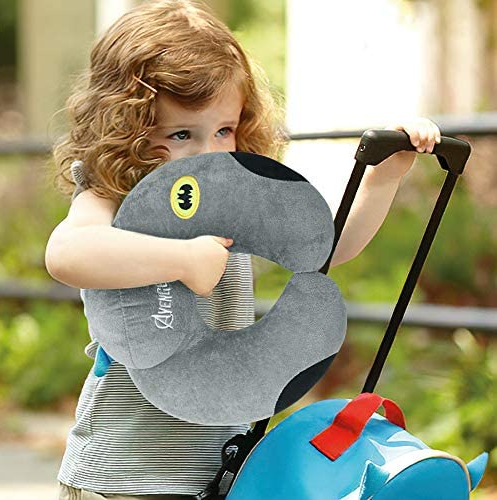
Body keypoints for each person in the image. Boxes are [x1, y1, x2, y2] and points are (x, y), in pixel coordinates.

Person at [44, 0, 441, 498]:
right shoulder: (114, 194)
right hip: (124, 471)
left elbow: (325, 248)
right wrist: (182, 259)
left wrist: (384, 178)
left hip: (214, 467)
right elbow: (68, 252)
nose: (209, 153)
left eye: (224, 131)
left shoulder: (233, 199)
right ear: (127, 131)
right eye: (181, 134)